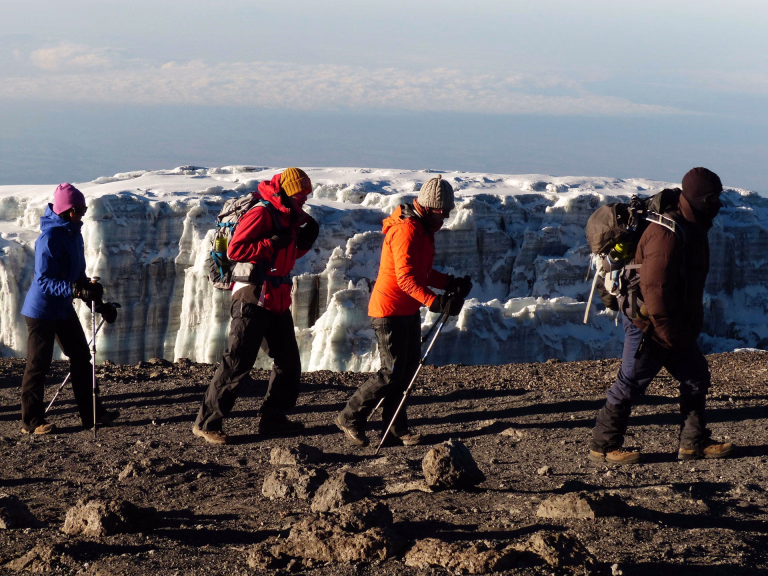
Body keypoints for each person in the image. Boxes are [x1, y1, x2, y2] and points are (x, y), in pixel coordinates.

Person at [588, 167, 734, 464]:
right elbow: (655, 289)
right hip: (649, 323)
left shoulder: (694, 226)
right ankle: (603, 447)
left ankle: (693, 443)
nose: (717, 205)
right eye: (712, 198)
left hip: (673, 324)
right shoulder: (665, 235)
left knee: (696, 376)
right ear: (696, 198)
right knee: (630, 382)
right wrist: (668, 333)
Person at [335, 175, 472, 447]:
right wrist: (436, 302)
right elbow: (405, 279)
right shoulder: (407, 231)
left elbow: (422, 272)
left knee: (406, 371)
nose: (447, 216)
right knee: (392, 372)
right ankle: (349, 417)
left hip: (406, 309)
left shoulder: (423, 230)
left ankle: (396, 428)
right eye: (444, 211)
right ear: (430, 207)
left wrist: (449, 283)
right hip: (389, 310)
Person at [193, 167, 320, 445]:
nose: (304, 200)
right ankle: (206, 423)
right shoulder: (263, 212)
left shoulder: (287, 215)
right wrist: (271, 242)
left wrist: (303, 241)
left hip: (276, 297)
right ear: (287, 191)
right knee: (238, 361)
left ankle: (273, 419)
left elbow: (286, 255)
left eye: (306, 195)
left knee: (288, 362)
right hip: (252, 296)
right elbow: (235, 250)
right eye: (301, 195)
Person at [20, 183, 119, 434]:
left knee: (81, 358)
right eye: (79, 209)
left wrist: (99, 304)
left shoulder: (74, 234)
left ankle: (92, 414)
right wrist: (75, 290)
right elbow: (43, 281)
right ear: (66, 210)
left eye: (84, 208)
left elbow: (79, 276)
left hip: (62, 308)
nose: (83, 213)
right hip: (41, 311)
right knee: (38, 365)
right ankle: (31, 422)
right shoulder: (50, 237)